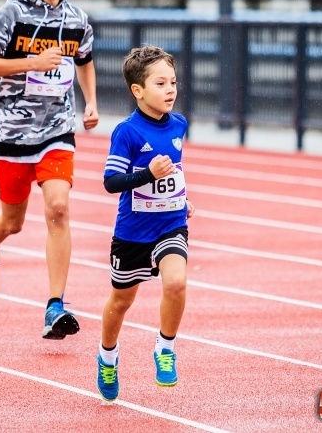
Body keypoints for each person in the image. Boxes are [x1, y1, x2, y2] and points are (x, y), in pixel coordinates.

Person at [0, 0, 99, 340]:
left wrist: (90, 102)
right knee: (12, 222)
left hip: (57, 129)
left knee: (58, 208)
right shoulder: (9, 14)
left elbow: (85, 60)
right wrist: (31, 62)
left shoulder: (76, 19)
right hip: (13, 130)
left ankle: (55, 305)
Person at [95, 45, 195, 401]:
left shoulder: (179, 124)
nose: (170, 90)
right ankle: (108, 355)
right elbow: (111, 182)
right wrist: (146, 174)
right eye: (160, 83)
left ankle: (165, 348)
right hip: (133, 232)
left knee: (177, 283)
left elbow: (173, 171)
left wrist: (183, 198)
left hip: (170, 224)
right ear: (138, 90)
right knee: (121, 302)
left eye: (173, 82)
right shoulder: (127, 132)